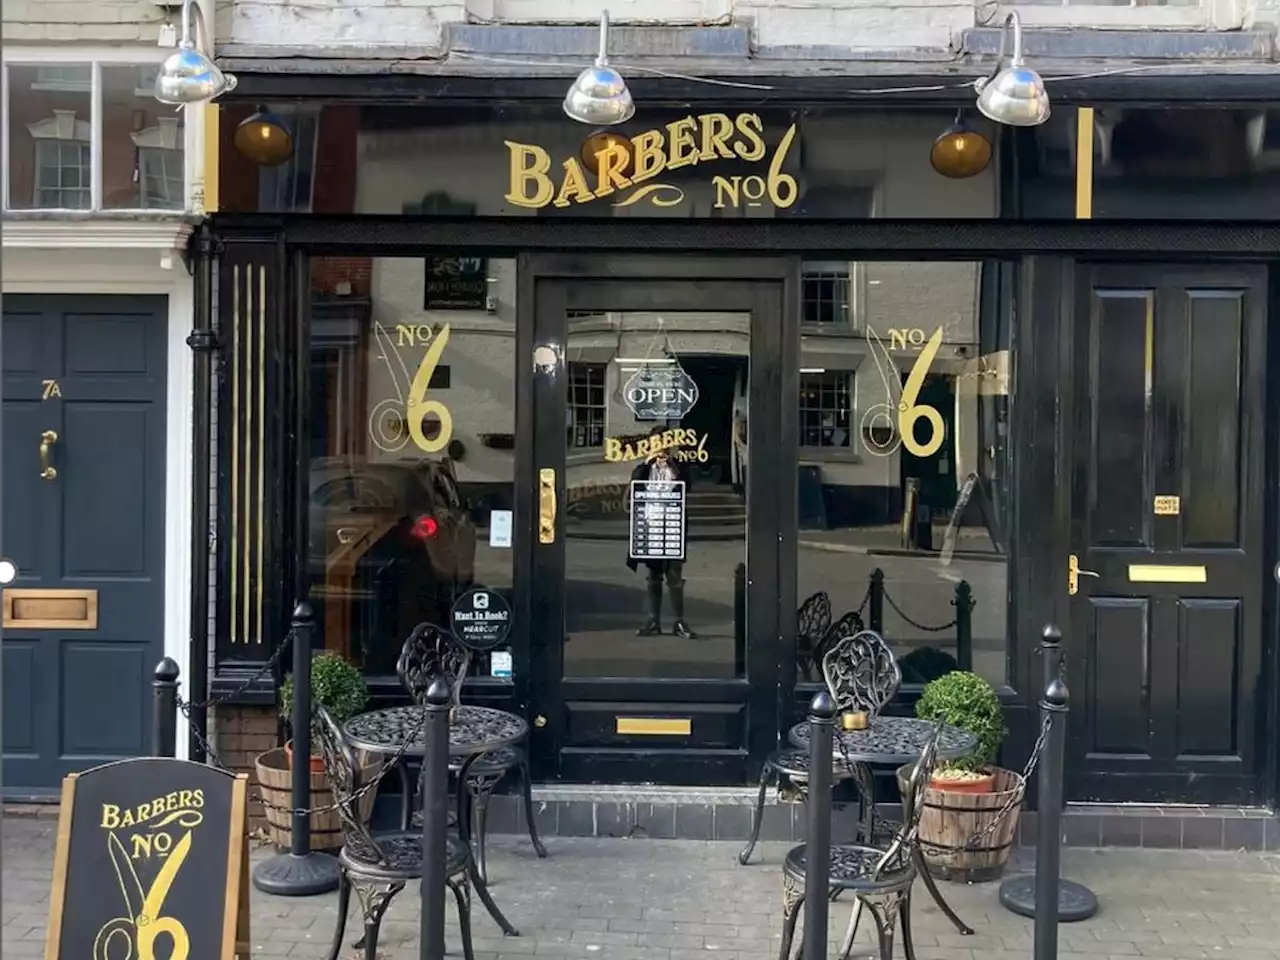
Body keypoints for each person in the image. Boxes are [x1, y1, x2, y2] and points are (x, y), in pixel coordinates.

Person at [627, 426, 697, 639]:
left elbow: (687, 486)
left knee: (674, 575)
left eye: (665, 443)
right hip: (651, 525)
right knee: (653, 575)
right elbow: (634, 484)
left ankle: (678, 621)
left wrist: (672, 465)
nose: (662, 448)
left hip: (673, 525)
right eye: (657, 443)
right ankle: (653, 620)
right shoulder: (643, 468)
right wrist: (649, 462)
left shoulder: (679, 467)